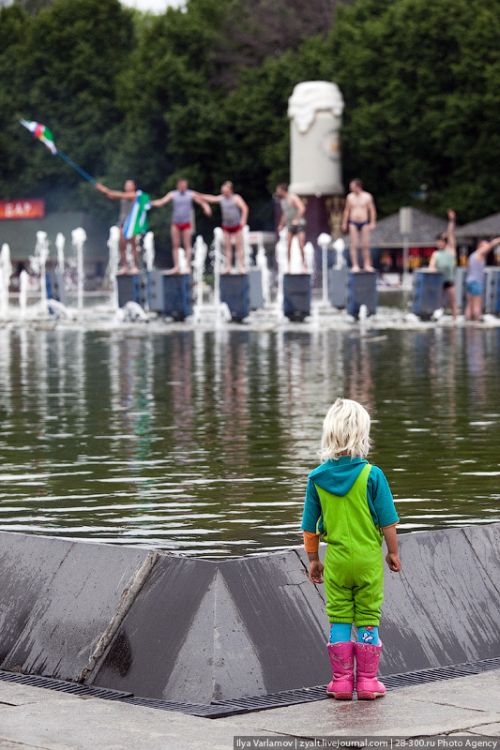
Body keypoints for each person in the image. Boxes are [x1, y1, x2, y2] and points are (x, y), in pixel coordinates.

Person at [302, 398, 400, 701]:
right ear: (362, 434)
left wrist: (314, 560)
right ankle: (368, 682)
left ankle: (342, 682)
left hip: (338, 562)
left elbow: (309, 527)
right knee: (368, 615)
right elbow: (388, 522)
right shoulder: (372, 475)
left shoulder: (316, 478)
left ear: (329, 433)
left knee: (340, 616)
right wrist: (393, 553)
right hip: (368, 561)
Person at [150, 179, 211, 274]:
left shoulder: (190, 194)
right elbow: (162, 201)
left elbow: (201, 201)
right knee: (175, 245)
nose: (183, 187)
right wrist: (150, 203)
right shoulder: (173, 194)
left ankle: (187, 266)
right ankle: (176, 266)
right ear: (178, 186)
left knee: (187, 245)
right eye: (181, 185)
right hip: (176, 223)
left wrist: (206, 207)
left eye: (184, 185)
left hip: (187, 223)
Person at [201, 181, 249, 273]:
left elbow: (245, 208)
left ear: (230, 190)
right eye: (223, 191)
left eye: (225, 191)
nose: (223, 192)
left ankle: (241, 266)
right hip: (226, 226)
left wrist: (243, 220)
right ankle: (228, 267)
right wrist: (199, 195)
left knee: (239, 247)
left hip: (236, 225)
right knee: (227, 248)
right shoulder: (222, 198)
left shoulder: (236, 198)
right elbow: (211, 198)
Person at [95, 179, 140, 274]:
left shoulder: (134, 195)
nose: (127, 186)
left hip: (132, 223)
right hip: (123, 223)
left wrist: (105, 189)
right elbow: (111, 195)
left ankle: (135, 266)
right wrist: (102, 190)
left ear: (134, 186)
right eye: (126, 185)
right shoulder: (123, 195)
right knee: (122, 245)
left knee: (133, 245)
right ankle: (124, 267)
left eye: (129, 185)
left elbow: (117, 195)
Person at [342, 179, 377, 272]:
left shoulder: (367, 196)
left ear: (358, 186)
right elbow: (347, 210)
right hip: (353, 222)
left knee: (365, 244)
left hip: (364, 221)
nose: (350, 188)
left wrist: (372, 222)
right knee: (354, 244)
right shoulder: (350, 197)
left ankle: (367, 264)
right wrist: (344, 222)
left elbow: (372, 210)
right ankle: (355, 265)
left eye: (352, 187)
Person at [428, 210, 458, 318]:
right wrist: (432, 269)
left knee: (453, 302)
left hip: (449, 281)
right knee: (438, 303)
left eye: (440, 241)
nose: (438, 243)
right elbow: (431, 266)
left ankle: (455, 319)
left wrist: (451, 220)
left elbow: (450, 234)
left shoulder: (450, 250)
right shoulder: (436, 254)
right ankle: (437, 316)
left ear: (444, 242)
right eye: (437, 241)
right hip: (439, 282)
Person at [465, 236, 500, 321]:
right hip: (476, 282)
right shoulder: (480, 253)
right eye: (485, 245)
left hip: (469, 281)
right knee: (477, 304)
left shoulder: (472, 255)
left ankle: (468, 324)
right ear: (480, 246)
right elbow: (491, 245)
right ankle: (477, 323)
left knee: (469, 305)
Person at [275, 183, 307, 272]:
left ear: (282, 190)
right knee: (288, 245)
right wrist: (281, 224)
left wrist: (297, 219)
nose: (277, 192)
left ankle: (304, 265)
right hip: (289, 225)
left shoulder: (293, 197)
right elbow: (285, 214)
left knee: (301, 245)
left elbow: (302, 208)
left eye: (278, 190)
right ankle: (289, 266)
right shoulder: (282, 201)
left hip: (299, 224)